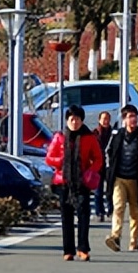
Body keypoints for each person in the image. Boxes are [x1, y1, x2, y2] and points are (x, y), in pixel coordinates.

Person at [45, 104, 104, 262]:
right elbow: (49, 158)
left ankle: (83, 249)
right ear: (67, 120)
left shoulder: (89, 137)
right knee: (66, 217)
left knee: (84, 216)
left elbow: (98, 159)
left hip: (82, 182)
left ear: (82, 121)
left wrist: (90, 171)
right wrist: (61, 162)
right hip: (63, 182)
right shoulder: (59, 137)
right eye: (72, 119)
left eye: (77, 119)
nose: (74, 122)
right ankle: (68, 250)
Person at [104, 104, 138, 252]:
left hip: (135, 179)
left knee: (134, 210)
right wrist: (111, 169)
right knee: (119, 206)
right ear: (124, 119)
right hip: (119, 178)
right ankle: (115, 237)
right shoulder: (117, 136)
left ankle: (134, 241)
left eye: (135, 116)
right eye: (129, 117)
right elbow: (109, 152)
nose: (133, 119)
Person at [93, 111, 115, 222]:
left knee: (110, 190)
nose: (105, 121)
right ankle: (99, 212)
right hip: (98, 165)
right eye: (103, 119)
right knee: (98, 191)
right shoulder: (95, 133)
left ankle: (111, 211)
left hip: (110, 165)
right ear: (99, 120)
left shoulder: (113, 133)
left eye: (107, 119)